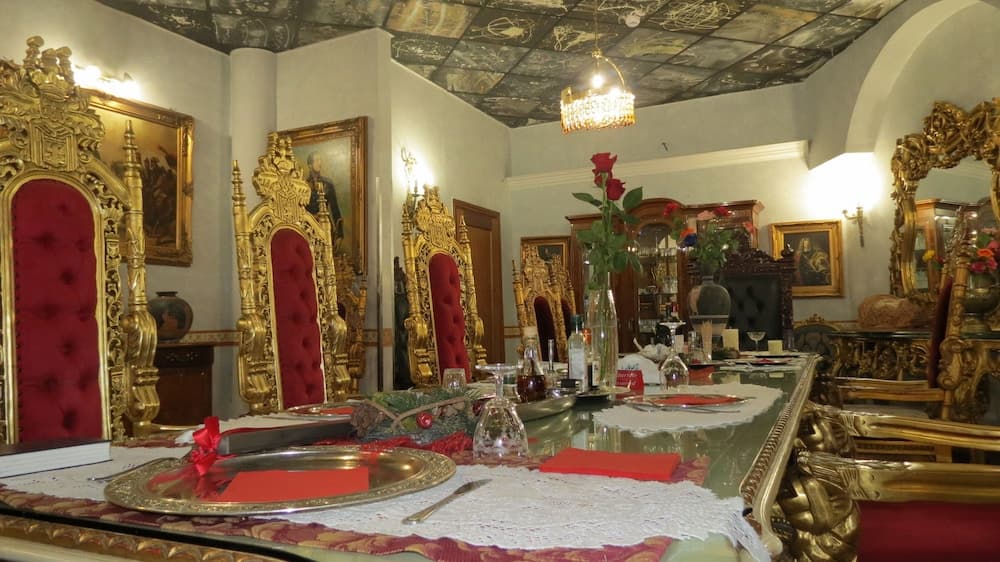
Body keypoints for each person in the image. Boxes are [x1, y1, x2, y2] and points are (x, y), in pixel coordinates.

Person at [304, 151, 344, 240]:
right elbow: (301, 210)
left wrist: (340, 234)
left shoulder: (328, 183)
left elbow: (335, 209)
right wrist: (312, 217)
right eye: (316, 160)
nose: (320, 163)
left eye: (320, 160)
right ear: (310, 165)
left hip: (325, 227)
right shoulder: (303, 185)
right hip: (309, 228)